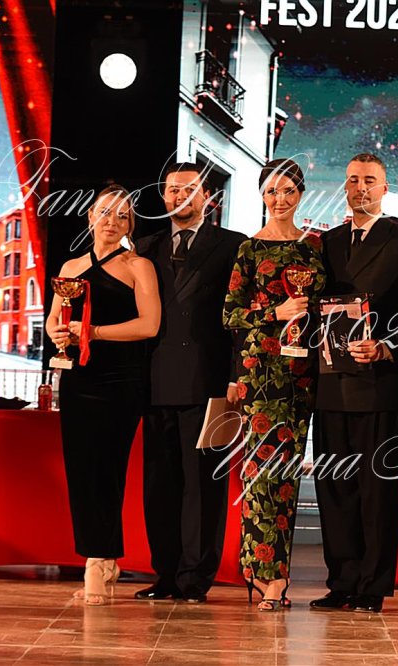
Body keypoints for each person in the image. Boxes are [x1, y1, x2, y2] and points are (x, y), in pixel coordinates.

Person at [310, 153, 398, 614]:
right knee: (334, 489)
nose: (360, 187)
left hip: (380, 384)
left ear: (385, 189)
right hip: (331, 383)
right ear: (345, 186)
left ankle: (372, 587)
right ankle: (341, 582)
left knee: (377, 492)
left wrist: (386, 347)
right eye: (353, 179)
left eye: (370, 181)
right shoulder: (327, 243)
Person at [135, 162, 245, 603]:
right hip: (154, 384)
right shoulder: (144, 248)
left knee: (204, 487)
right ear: (163, 197)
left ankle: (195, 579)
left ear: (207, 196)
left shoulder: (233, 245)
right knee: (160, 485)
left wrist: (237, 377)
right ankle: (165, 575)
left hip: (210, 384)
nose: (180, 196)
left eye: (189, 189)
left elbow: (240, 321)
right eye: (172, 189)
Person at [47, 184, 160, 605]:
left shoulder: (139, 266)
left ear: (130, 224)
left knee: (108, 470)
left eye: (122, 215)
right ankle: (101, 557)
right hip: (79, 380)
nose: (112, 221)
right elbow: (54, 320)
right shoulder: (71, 266)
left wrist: (93, 332)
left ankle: (99, 561)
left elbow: (149, 325)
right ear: (90, 216)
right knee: (82, 472)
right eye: (105, 212)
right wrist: (59, 333)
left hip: (122, 380)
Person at [223, 159, 326, 611]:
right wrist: (274, 314)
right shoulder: (248, 249)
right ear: (261, 195)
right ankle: (265, 576)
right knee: (259, 473)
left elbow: (327, 309)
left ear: (300, 194)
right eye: (271, 191)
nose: (279, 199)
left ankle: (275, 576)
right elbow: (229, 314)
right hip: (259, 373)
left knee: (286, 475)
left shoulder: (315, 248)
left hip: (301, 373)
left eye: (287, 191)